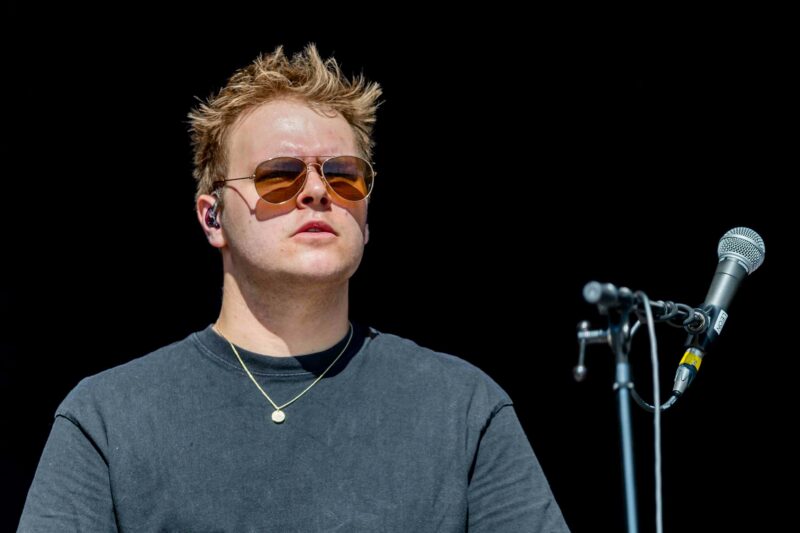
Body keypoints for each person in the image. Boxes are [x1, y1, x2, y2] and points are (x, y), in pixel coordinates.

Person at [18, 44, 569, 532]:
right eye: (279, 175)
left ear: (367, 216)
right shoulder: (108, 417)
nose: (316, 192)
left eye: (344, 175)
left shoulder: (463, 407)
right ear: (212, 217)